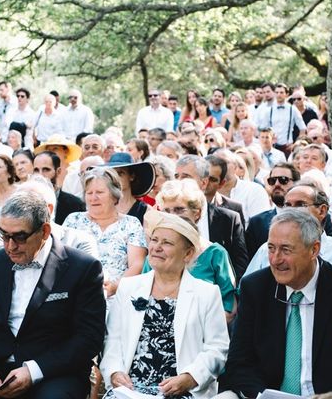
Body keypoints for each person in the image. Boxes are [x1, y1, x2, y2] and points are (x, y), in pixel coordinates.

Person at [0, 190, 106, 399]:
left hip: (52, 373)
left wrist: (33, 371)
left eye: (20, 237)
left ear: (45, 231)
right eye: (4, 235)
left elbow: (89, 338)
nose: (10, 246)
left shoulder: (82, 268)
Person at [218, 208, 332, 398]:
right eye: (271, 248)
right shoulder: (255, 288)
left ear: (314, 249)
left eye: (286, 249)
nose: (275, 259)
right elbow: (239, 363)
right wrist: (262, 395)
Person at [101, 209, 229, 398]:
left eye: (167, 243)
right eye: (154, 240)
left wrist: (189, 377)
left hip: (180, 389)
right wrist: (115, 372)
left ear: (188, 253)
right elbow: (112, 339)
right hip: (130, 389)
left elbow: (217, 348)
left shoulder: (206, 293)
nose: (156, 247)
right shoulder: (129, 287)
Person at [151, 180, 237, 320]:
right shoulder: (156, 252)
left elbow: (229, 308)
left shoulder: (215, 253)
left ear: (197, 213)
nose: (173, 216)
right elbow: (140, 296)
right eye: (167, 211)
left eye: (179, 209)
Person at [63, 168, 146, 298]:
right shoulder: (73, 220)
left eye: (100, 192)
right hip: (77, 294)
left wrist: (115, 287)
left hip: (118, 296)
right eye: (89, 193)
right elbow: (62, 259)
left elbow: (137, 264)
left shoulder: (131, 223)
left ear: (114, 195)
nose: (93, 198)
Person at [104, 152, 155, 225]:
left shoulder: (145, 210)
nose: (115, 178)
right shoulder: (102, 205)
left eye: (120, 173)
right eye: (111, 173)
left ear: (132, 176)